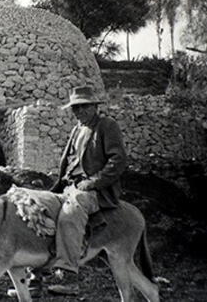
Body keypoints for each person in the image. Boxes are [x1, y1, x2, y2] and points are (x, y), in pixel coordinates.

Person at [46, 85, 127, 293]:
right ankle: (35, 275)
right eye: (75, 108)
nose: (78, 112)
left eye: (83, 107)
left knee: (71, 212)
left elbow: (117, 160)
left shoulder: (107, 126)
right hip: (69, 186)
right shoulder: (76, 130)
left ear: (94, 107)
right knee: (38, 210)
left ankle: (69, 276)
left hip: (94, 190)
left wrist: (92, 182)